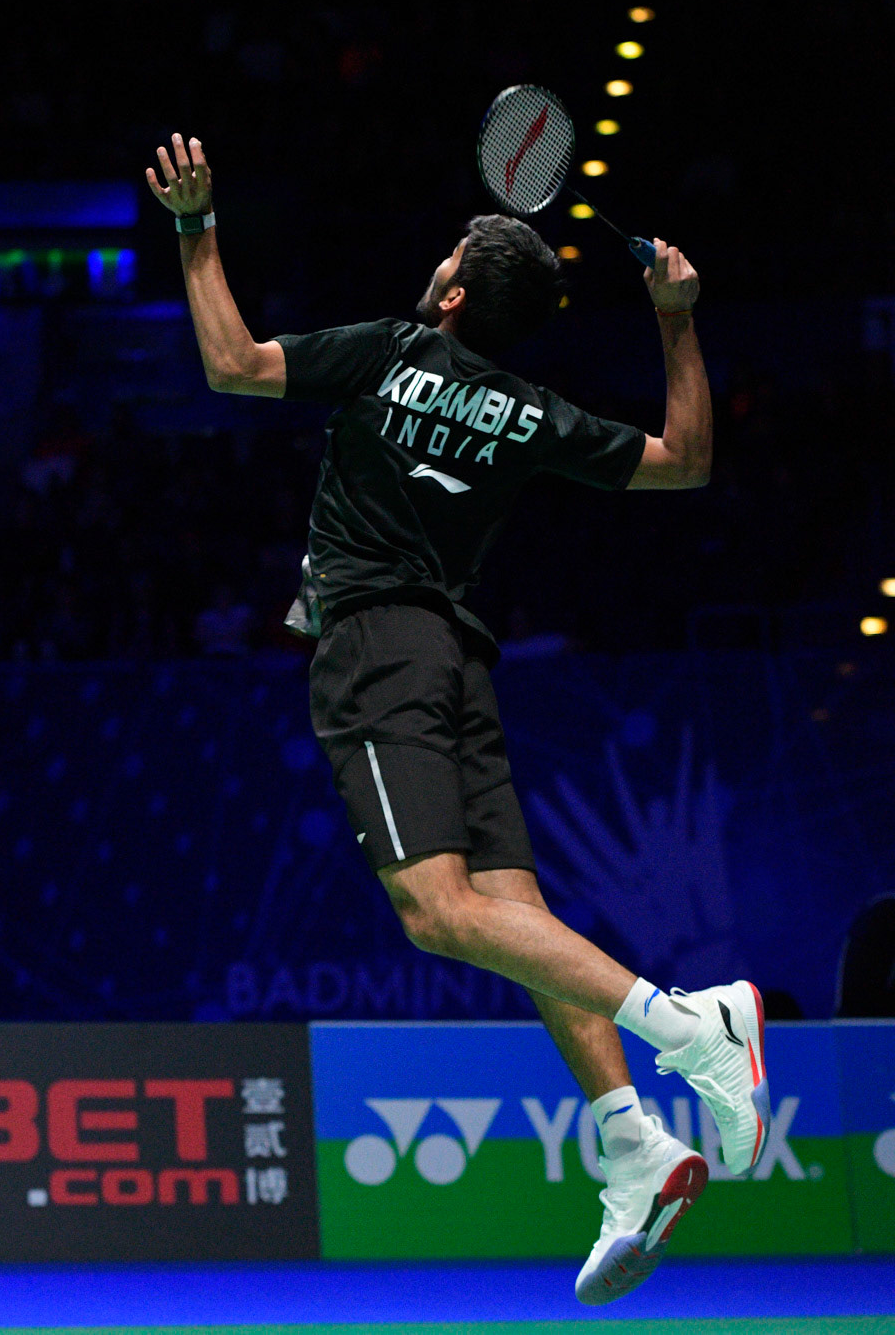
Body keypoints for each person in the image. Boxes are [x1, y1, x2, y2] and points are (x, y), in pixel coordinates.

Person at [147, 133, 770, 1306]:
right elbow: (685, 461)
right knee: (512, 915)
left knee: (436, 914)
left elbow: (230, 363)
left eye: (442, 260)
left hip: (375, 651)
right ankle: (631, 1144)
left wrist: (195, 226)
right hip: (456, 659)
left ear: (448, 293)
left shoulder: (386, 354)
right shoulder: (529, 414)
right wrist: (677, 318)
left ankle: (689, 1026)